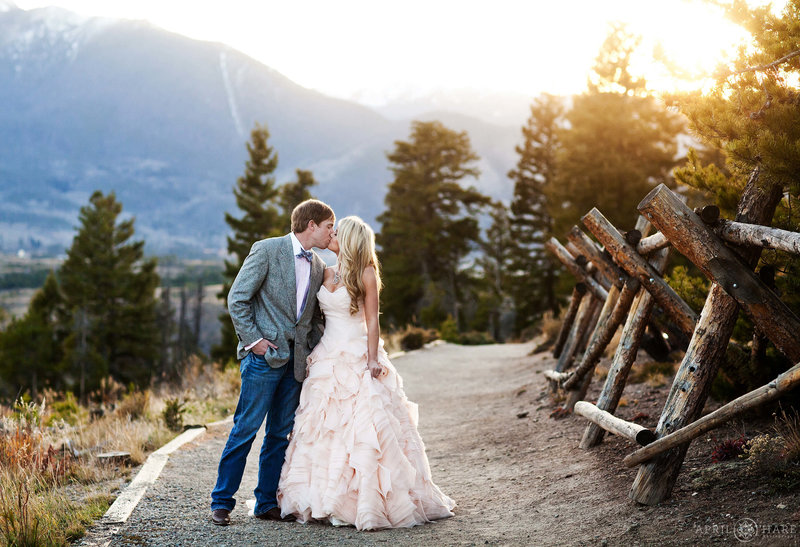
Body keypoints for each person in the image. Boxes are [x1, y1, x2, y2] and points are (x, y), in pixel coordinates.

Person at [277, 216, 456, 530]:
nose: (332, 234)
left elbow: (373, 322)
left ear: (350, 239)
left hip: (358, 354)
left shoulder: (367, 273)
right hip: (326, 357)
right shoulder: (325, 271)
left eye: (337, 231)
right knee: (323, 428)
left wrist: (372, 359)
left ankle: (361, 501)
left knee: (363, 429)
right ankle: (320, 496)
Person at [210, 199, 335, 526]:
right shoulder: (266, 250)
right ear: (311, 225)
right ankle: (221, 502)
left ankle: (266, 502)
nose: (330, 234)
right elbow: (237, 299)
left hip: (296, 365)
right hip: (263, 360)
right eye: (328, 227)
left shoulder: (320, 266)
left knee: (280, 435)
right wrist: (255, 342)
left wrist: (310, 347)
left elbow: (316, 318)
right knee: (245, 429)